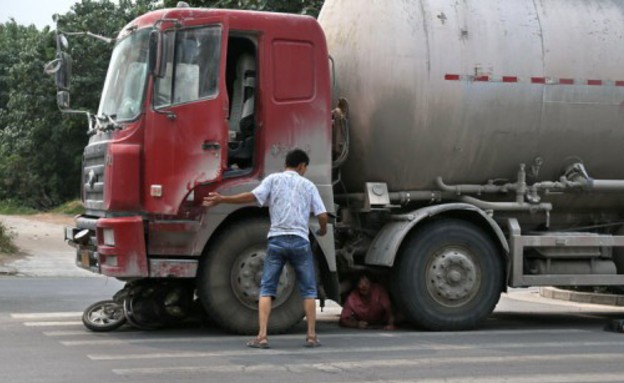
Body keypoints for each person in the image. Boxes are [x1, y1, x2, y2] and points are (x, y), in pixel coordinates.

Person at [203, 148, 328, 349]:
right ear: (302, 166)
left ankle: (262, 336)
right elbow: (322, 215)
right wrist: (322, 230)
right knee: (309, 290)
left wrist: (223, 199)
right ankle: (311, 336)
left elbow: (250, 197)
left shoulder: (273, 180)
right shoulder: (309, 185)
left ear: (286, 163)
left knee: (267, 289)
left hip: (277, 240)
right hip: (299, 241)